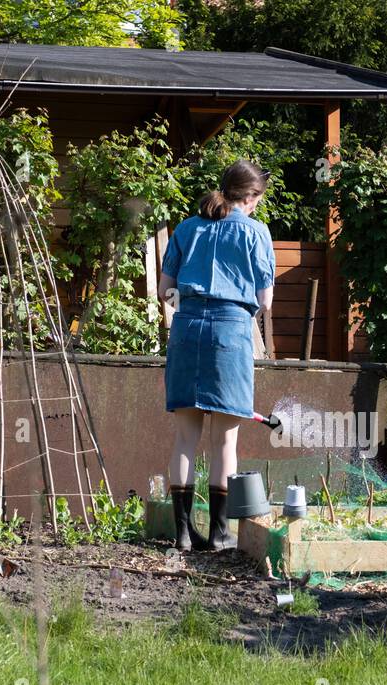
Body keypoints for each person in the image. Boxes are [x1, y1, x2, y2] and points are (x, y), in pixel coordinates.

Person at [158, 160, 275, 551]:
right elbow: (265, 299)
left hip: (187, 329)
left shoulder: (187, 228)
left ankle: (182, 533)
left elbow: (164, 291)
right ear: (252, 196)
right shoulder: (256, 233)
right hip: (230, 333)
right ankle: (220, 534)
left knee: (184, 438)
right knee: (225, 442)